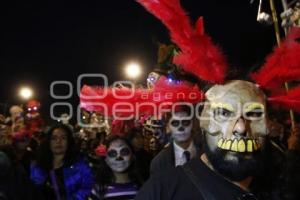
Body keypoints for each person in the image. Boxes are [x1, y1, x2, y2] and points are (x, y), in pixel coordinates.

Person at [30, 123, 95, 200]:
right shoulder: (37, 166)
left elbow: (88, 188)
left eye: (63, 138)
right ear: (48, 142)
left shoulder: (80, 166)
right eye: (54, 138)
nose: (58, 141)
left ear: (69, 142)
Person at [150, 106, 202, 175]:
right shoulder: (159, 163)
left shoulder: (206, 153)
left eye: (185, 122)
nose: (180, 128)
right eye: (175, 123)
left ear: (193, 124)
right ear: (168, 127)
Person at [90, 136, 143, 200]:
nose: (119, 157)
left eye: (124, 152)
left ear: (133, 157)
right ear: (106, 160)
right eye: (112, 153)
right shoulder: (99, 189)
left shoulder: (141, 187)